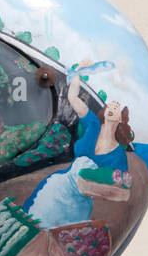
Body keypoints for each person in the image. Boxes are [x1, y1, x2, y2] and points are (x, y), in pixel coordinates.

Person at [22, 71, 132, 227]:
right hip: (57, 187)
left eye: (117, 107)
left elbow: (123, 193)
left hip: (79, 204)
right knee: (35, 222)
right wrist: (76, 74)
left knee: (61, 235)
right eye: (111, 105)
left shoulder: (118, 155)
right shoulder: (93, 125)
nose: (112, 107)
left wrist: (91, 188)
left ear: (121, 119)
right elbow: (72, 98)